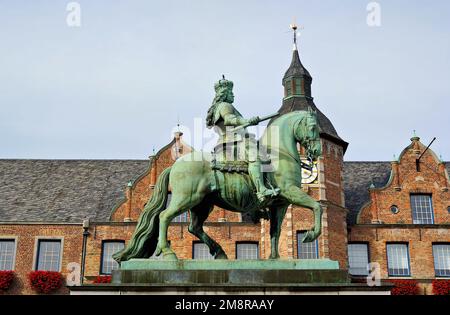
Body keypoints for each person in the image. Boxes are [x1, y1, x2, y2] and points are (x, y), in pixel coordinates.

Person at [206, 76, 279, 202]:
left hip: (229, 141)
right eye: (231, 92)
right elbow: (229, 119)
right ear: (225, 94)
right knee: (255, 157)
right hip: (233, 141)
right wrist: (247, 120)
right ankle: (261, 190)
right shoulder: (225, 105)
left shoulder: (220, 106)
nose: (233, 95)